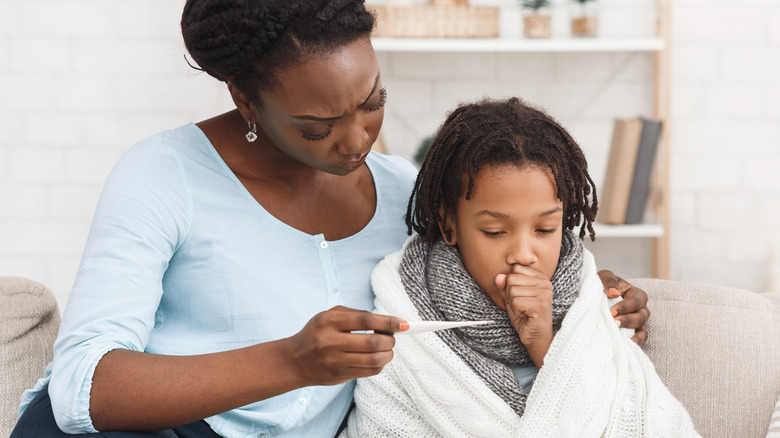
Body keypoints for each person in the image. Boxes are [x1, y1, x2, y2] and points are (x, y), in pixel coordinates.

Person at [12, 2, 650, 437]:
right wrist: (293, 361)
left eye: (371, 102)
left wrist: (589, 301)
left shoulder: (412, 195)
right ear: (244, 99)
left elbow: (497, 284)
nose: (356, 141)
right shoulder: (164, 175)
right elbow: (80, 389)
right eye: (317, 127)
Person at [343, 97, 697, 437]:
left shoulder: (592, 304)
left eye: (545, 229)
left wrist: (544, 343)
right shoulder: (403, 314)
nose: (524, 254)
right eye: (495, 231)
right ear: (449, 224)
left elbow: (631, 419)